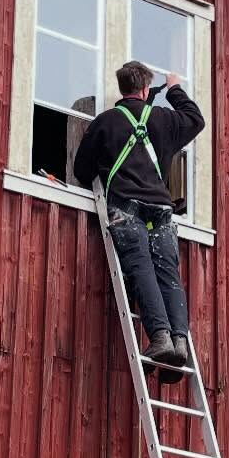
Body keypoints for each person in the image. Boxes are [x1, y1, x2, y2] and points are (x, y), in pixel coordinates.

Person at [73, 59, 206, 373]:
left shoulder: (105, 122)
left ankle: (160, 337)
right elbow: (195, 120)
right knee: (168, 275)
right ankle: (180, 341)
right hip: (161, 209)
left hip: (127, 208)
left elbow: (81, 171)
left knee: (142, 268)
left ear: (122, 88)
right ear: (147, 89)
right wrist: (174, 89)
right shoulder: (163, 119)